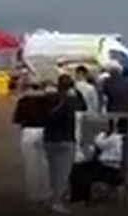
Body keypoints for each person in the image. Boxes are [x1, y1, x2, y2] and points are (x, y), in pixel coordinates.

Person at [43, 73, 86, 213]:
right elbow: (83, 106)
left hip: (49, 138)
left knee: (52, 171)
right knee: (62, 174)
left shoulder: (50, 99)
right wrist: (77, 92)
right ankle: (57, 202)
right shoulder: (71, 100)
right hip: (66, 139)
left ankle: (53, 197)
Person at [69, 118, 127, 204]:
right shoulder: (121, 139)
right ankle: (81, 197)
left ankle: (80, 197)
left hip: (108, 169)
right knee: (79, 169)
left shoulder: (115, 138)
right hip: (108, 167)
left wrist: (101, 135)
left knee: (79, 171)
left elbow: (99, 143)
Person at [12, 80, 50, 206]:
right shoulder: (47, 100)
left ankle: (33, 195)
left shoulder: (24, 101)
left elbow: (16, 119)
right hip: (45, 131)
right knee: (44, 162)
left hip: (28, 131)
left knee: (31, 164)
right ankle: (45, 192)